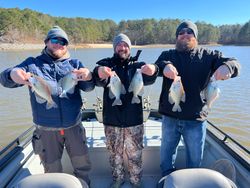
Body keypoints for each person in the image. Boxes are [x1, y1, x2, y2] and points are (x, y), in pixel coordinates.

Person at [0, 26, 93, 186]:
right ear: (46, 42)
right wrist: (12, 74)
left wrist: (89, 76)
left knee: (82, 165)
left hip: (74, 127)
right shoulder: (32, 64)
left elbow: (88, 87)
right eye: (55, 40)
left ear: (67, 46)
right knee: (52, 170)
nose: (59, 44)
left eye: (63, 41)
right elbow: (5, 79)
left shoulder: (75, 64)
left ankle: (84, 185)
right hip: (46, 131)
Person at [155, 21, 240, 181]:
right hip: (169, 117)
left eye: (190, 32)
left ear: (195, 36)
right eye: (181, 33)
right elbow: (156, 66)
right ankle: (165, 180)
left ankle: (192, 182)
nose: (185, 35)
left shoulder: (210, 56)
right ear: (177, 37)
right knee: (166, 156)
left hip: (196, 120)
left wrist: (228, 67)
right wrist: (164, 66)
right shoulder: (168, 55)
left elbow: (234, 62)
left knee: (194, 161)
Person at [93, 33, 158, 188]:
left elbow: (151, 78)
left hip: (134, 121)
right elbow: (97, 77)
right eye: (119, 45)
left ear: (130, 48)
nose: (122, 48)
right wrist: (99, 72)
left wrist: (153, 69)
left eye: (126, 45)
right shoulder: (107, 65)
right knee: (114, 155)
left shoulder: (138, 66)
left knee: (135, 155)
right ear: (115, 47)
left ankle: (136, 182)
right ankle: (118, 179)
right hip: (112, 121)